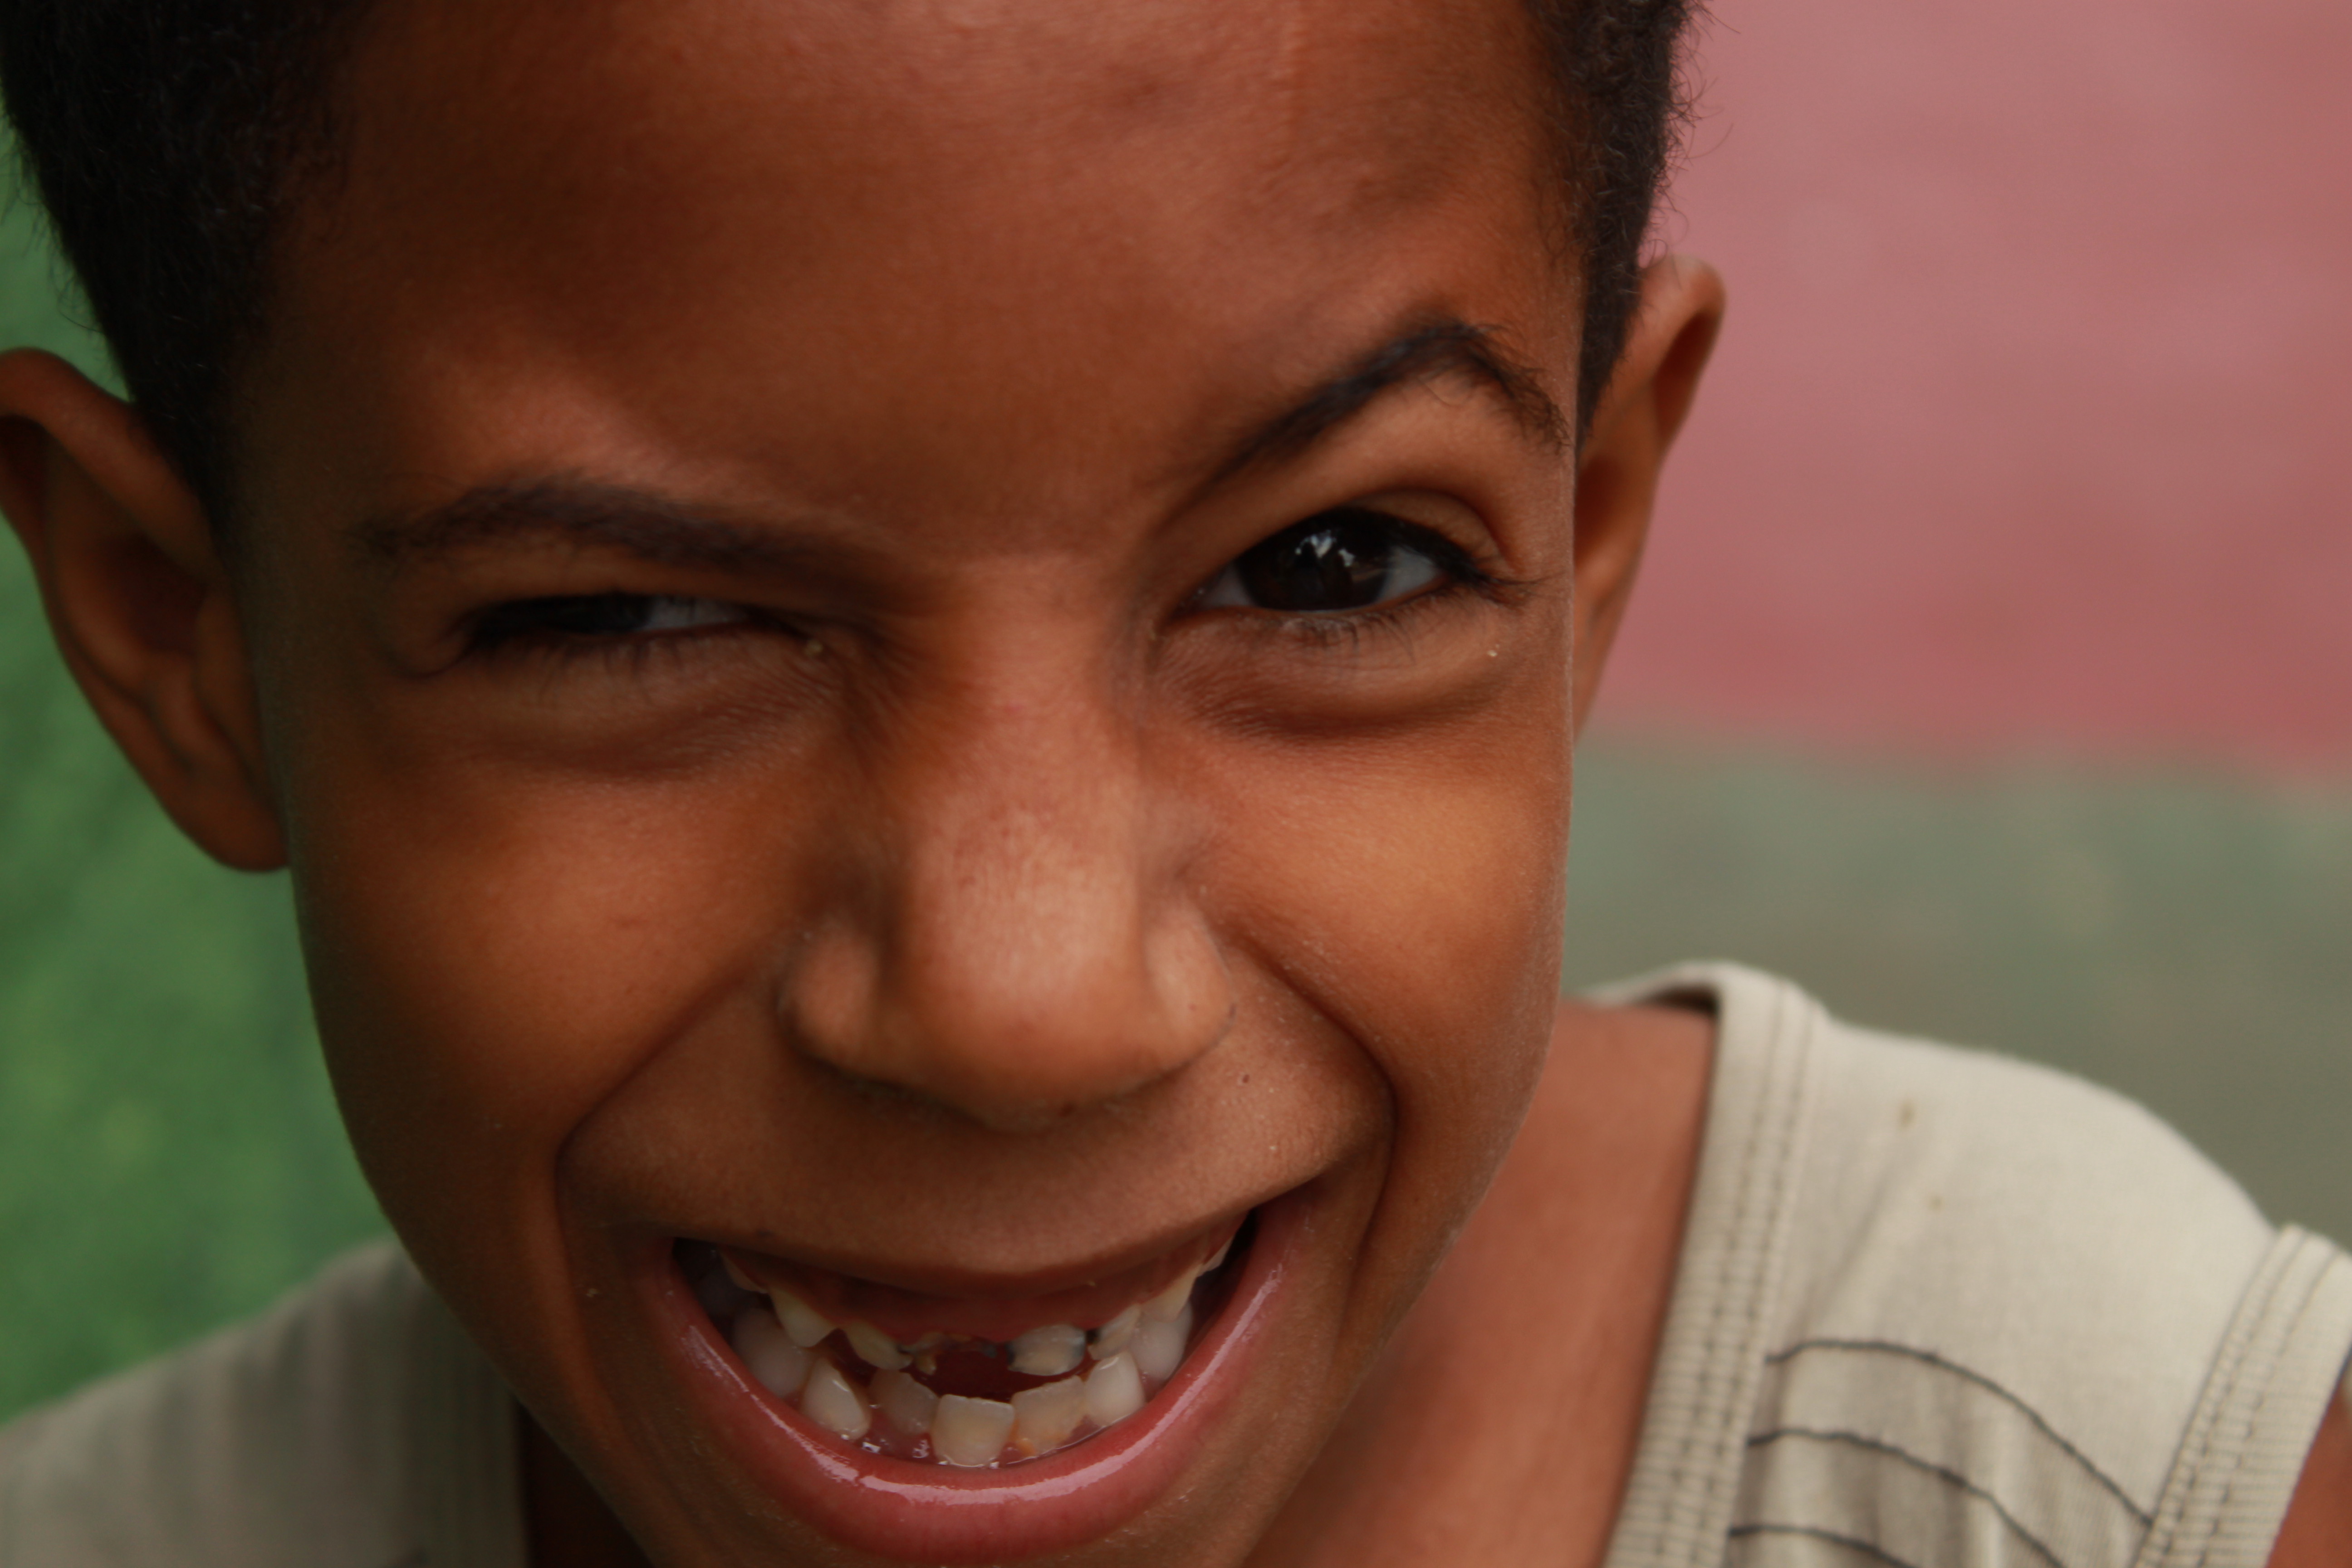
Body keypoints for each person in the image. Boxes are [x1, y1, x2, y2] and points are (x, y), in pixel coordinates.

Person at [0, 1, 2345, 1564]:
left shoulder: (2104, 1480)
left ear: (1591, 525)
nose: (1027, 1007)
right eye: (624, 623)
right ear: (175, 638)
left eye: (1331, 565)